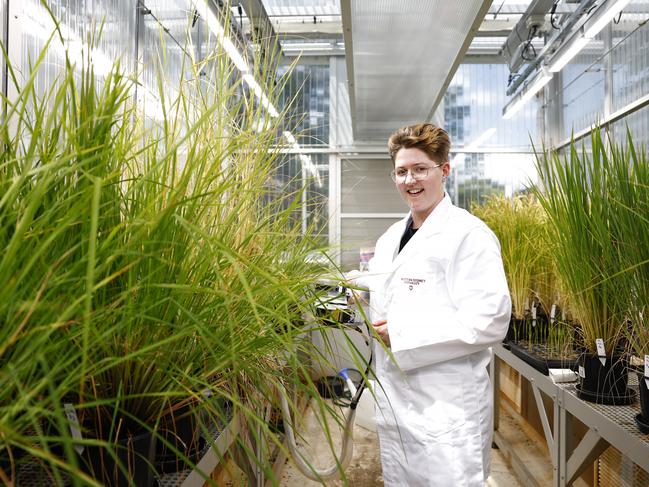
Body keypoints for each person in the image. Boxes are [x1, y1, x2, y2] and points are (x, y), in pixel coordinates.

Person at [353, 122, 511, 486]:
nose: (411, 180)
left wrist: (403, 335)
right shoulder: (393, 234)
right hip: (398, 401)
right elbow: (383, 283)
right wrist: (347, 285)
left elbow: (489, 320)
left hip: (446, 410)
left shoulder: (469, 235)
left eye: (420, 169)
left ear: (444, 170)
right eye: (402, 171)